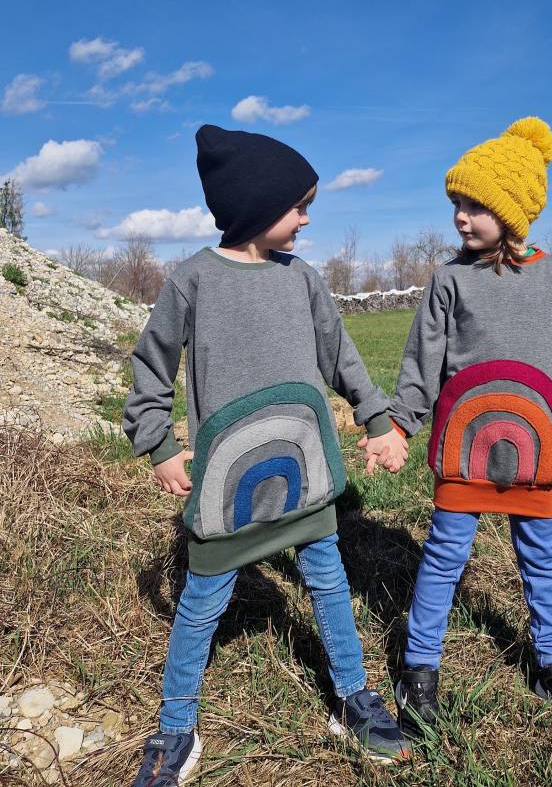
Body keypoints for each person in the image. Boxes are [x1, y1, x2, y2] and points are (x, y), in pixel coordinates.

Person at [124, 124, 410, 785]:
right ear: (254, 204)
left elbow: (341, 356)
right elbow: (150, 366)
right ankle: (175, 729)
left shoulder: (302, 279)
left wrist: (375, 417)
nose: (307, 219)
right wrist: (158, 441)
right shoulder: (192, 280)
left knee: (329, 580)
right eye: (299, 206)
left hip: (305, 471)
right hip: (227, 486)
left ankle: (351, 697)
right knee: (201, 604)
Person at [362, 117, 552, 738]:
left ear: (514, 209)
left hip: (540, 451)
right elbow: (422, 362)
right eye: (456, 203)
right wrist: (399, 425)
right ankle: (419, 667)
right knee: (443, 556)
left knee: (541, 562)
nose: (461, 217)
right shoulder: (451, 279)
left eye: (476, 205)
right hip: (465, 450)